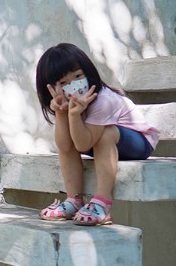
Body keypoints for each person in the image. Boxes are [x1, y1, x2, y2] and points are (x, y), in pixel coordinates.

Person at [34, 43, 160, 226]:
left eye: (78, 76)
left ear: (88, 72)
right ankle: (74, 200)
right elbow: (65, 145)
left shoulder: (103, 101)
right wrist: (61, 112)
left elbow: (83, 145)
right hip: (98, 142)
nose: (73, 86)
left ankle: (103, 203)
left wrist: (74, 114)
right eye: (63, 83)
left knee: (106, 132)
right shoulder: (70, 101)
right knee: (67, 143)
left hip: (138, 142)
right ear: (51, 88)